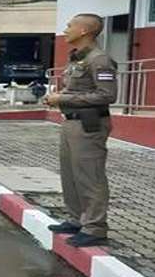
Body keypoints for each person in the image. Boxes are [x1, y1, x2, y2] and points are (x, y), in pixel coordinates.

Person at [45, 14, 118, 248]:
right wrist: (60, 98)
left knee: (90, 175)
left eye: (70, 26)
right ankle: (77, 219)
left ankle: (95, 228)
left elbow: (107, 95)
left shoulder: (99, 59)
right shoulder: (78, 59)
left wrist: (63, 98)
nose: (66, 30)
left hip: (89, 124)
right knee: (71, 175)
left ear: (84, 30)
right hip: (71, 123)